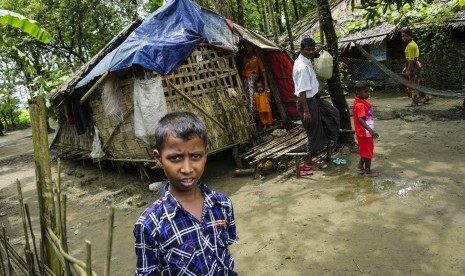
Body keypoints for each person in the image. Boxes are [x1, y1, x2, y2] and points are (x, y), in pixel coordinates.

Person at [134, 112, 238, 275]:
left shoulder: (222, 204)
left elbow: (225, 257)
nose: (187, 169)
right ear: (159, 158)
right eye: (175, 158)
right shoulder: (150, 224)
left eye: (196, 156)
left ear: (205, 154)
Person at [292, 37, 340, 170]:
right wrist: (306, 111)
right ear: (301, 50)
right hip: (307, 102)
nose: (311, 52)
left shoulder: (305, 59)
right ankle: (309, 161)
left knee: (332, 113)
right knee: (314, 131)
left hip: (314, 100)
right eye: (308, 49)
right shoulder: (302, 67)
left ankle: (327, 141)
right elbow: (302, 91)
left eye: (312, 49)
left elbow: (313, 53)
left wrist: (319, 48)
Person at [353, 81, 379, 177]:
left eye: (368, 91)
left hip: (365, 132)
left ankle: (360, 166)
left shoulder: (361, 103)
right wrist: (371, 130)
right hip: (364, 133)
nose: (368, 93)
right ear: (358, 93)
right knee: (368, 152)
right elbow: (360, 119)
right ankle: (368, 171)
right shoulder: (360, 105)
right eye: (366, 91)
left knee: (366, 150)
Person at [401, 27, 430, 106]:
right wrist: (405, 68)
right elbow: (409, 59)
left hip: (413, 66)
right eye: (402, 36)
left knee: (412, 83)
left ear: (410, 35)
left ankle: (414, 101)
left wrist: (408, 70)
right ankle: (422, 97)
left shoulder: (410, 45)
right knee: (415, 82)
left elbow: (411, 59)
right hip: (415, 65)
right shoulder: (412, 43)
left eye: (405, 36)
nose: (403, 38)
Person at [241, 41, 269, 112]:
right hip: (246, 80)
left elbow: (263, 71)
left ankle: (253, 111)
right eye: (245, 47)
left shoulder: (257, 57)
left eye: (248, 47)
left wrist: (266, 85)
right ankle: (251, 112)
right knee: (248, 96)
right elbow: (244, 70)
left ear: (252, 47)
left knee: (254, 96)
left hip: (254, 80)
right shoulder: (244, 58)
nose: (247, 49)